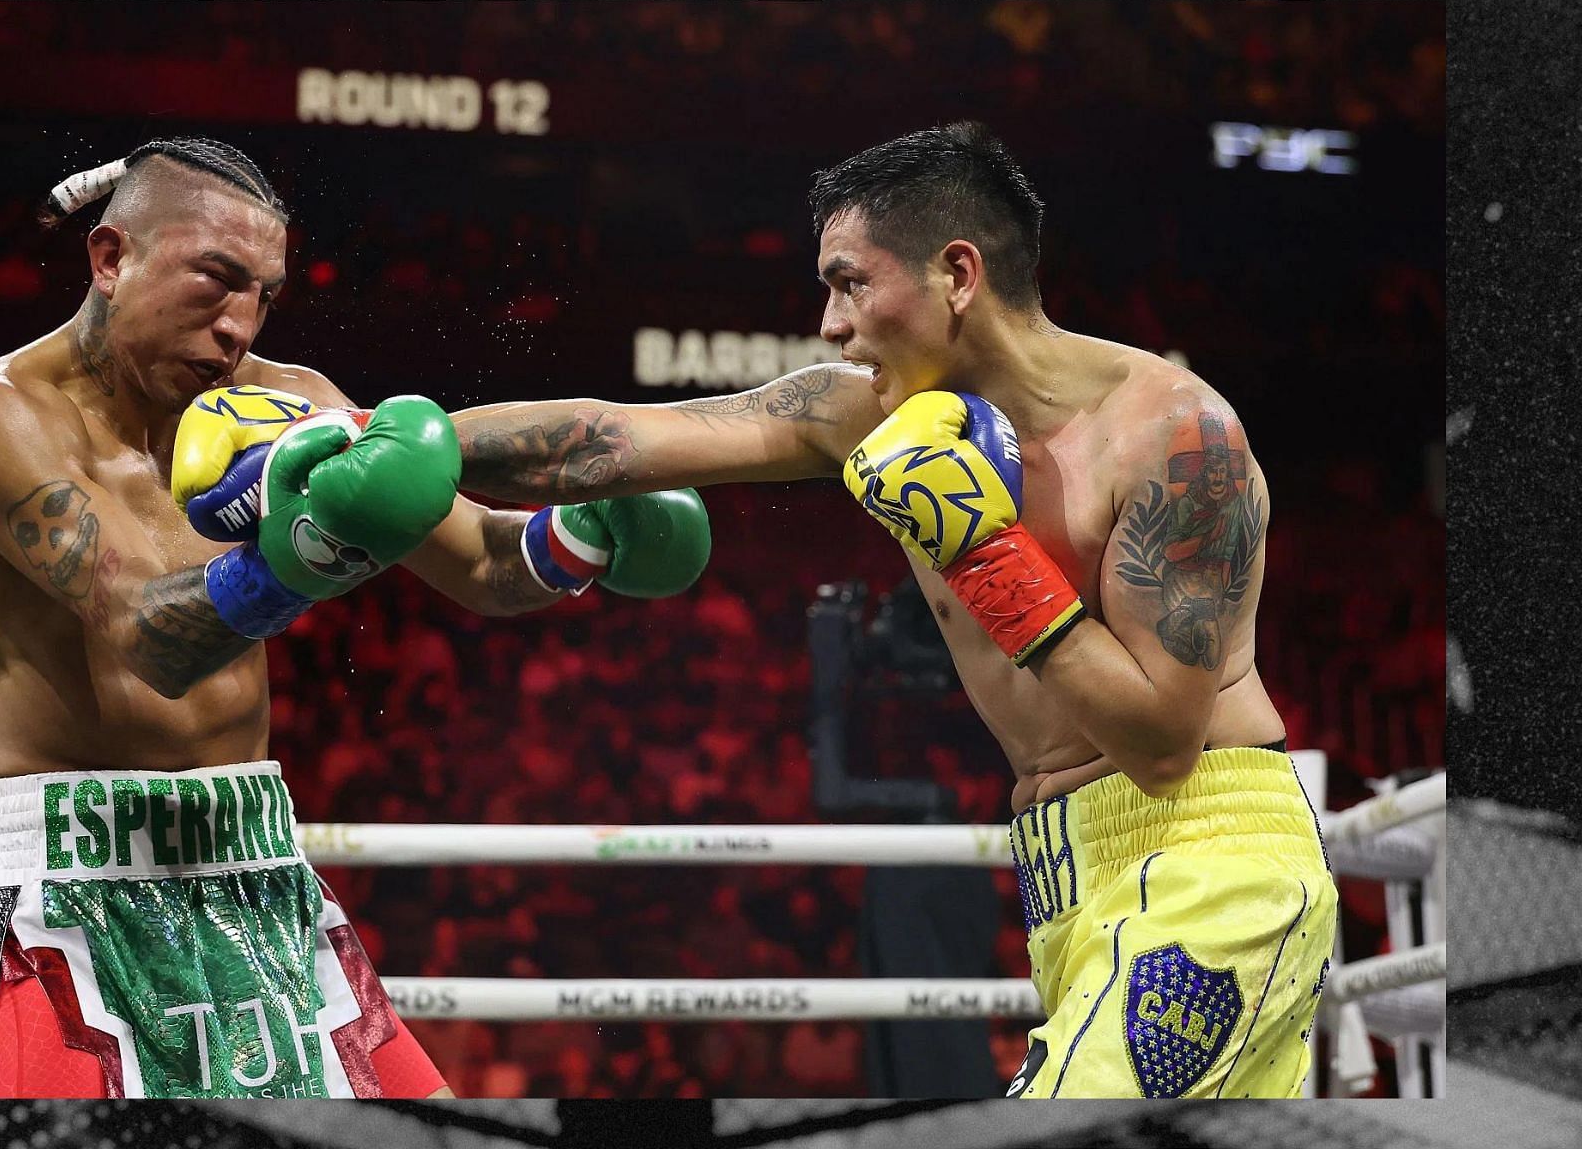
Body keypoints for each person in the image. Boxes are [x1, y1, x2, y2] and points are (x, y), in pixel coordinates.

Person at [451, 121, 1336, 1100]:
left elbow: (1163, 743)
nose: (829, 322)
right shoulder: (864, 412)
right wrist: (372, 445)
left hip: (1209, 865)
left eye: (849, 282)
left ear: (958, 273)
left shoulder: (1172, 436)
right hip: (1065, 883)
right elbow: (610, 440)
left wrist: (980, 550)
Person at [0, 136, 710, 1099]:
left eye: (264, 293)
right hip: (72, 891)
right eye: (215, 281)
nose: (238, 325)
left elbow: (484, 566)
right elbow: (145, 636)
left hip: (259, 869)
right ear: (111, 258)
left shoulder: (290, 403)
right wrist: (307, 549)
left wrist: (584, 536)